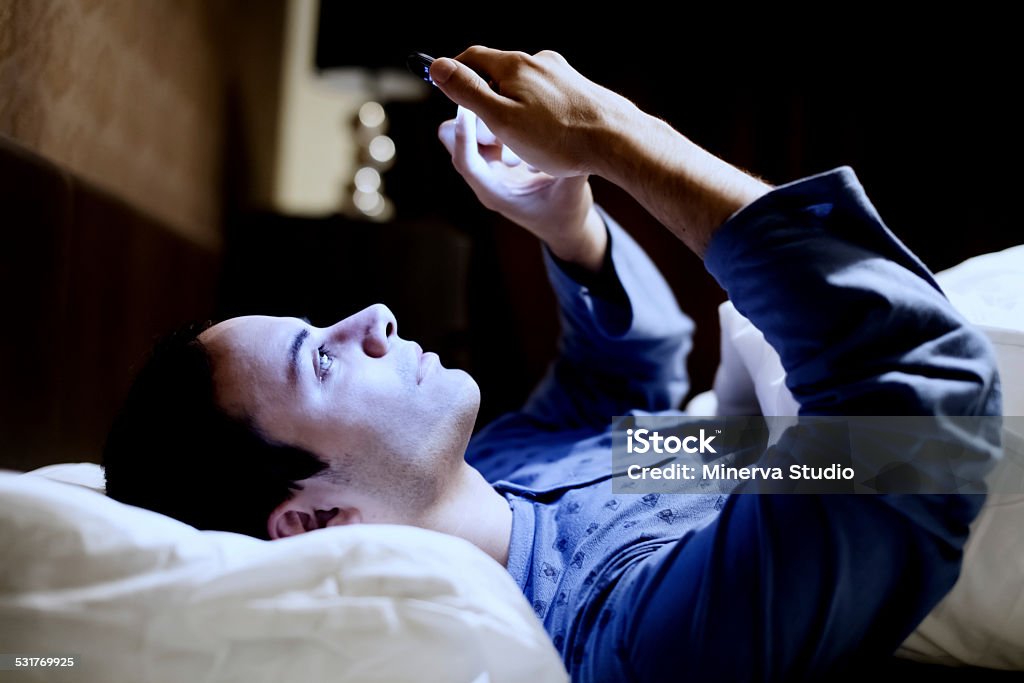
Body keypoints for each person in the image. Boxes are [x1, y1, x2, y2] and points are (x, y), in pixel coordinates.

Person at [103, 47, 1001, 681]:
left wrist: (566, 222)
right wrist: (617, 138)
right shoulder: (627, 639)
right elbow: (918, 422)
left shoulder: (502, 465)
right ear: (311, 520)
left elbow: (626, 384)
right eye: (323, 363)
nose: (372, 317)